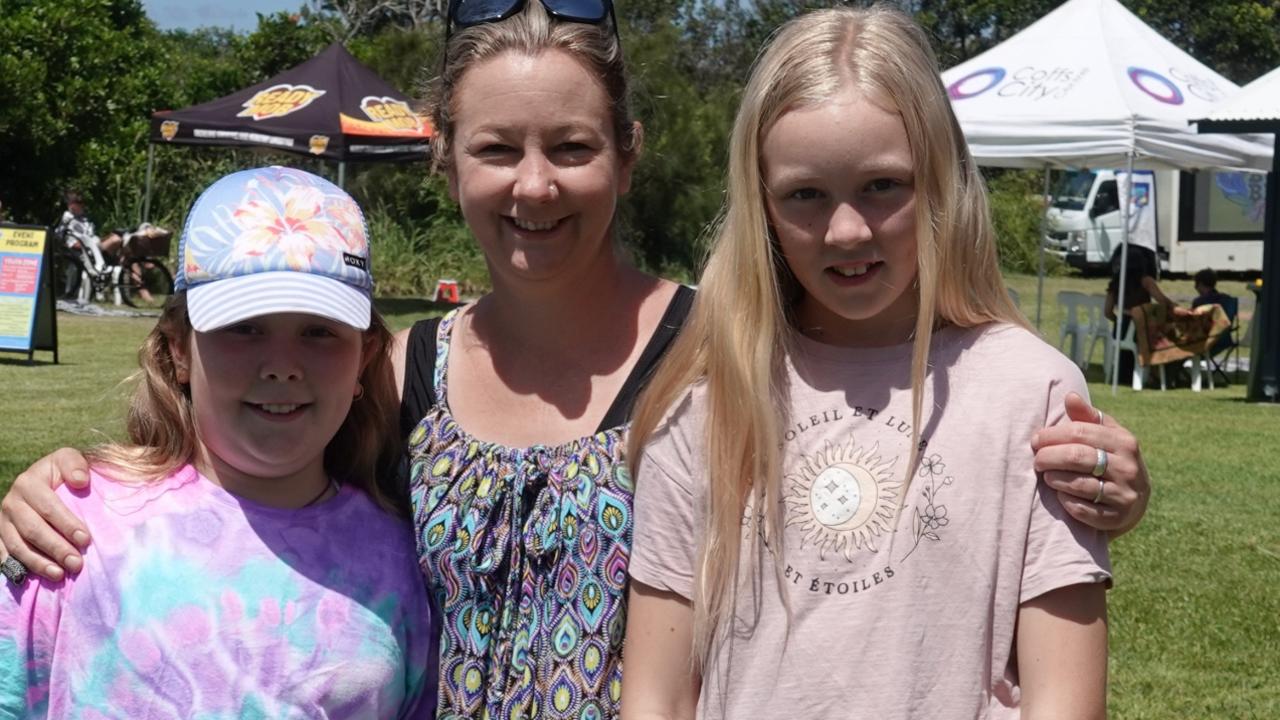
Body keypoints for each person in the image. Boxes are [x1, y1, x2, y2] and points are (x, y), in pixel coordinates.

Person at [0, 2, 1150, 716]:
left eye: (572, 147)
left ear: (627, 157)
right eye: (496, 149)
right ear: (444, 161)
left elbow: (900, 452)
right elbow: (249, 483)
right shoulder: (399, 368)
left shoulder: (726, 353)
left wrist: (1097, 477)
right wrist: (70, 483)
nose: (534, 185)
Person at [622, 7, 1109, 718]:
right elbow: (657, 693)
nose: (846, 230)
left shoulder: (1032, 394)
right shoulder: (706, 401)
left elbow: (1064, 698)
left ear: (941, 176)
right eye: (805, 196)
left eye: (883, 185)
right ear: (761, 202)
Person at [0, 167, 437, 718]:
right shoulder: (71, 529)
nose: (282, 365)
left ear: (364, 359)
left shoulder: (401, 560)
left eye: (319, 331)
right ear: (179, 350)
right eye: (244, 327)